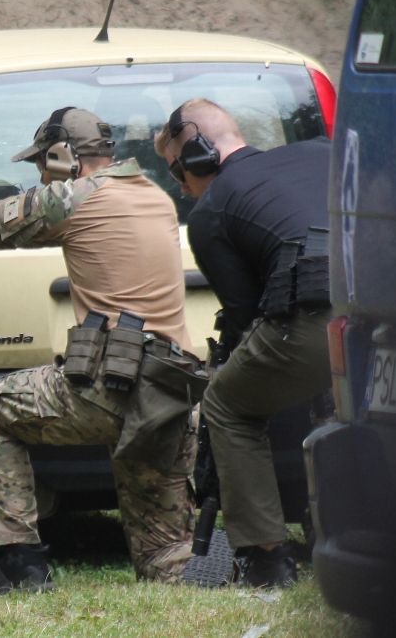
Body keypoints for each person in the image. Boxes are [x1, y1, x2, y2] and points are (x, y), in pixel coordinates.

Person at [0, 107, 202, 592]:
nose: (40, 177)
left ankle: (19, 564)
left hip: (110, 390)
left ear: (63, 156)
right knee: (165, 561)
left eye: (41, 164)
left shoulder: (76, 197)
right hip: (171, 395)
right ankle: (212, 574)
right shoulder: (155, 196)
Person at [155, 98, 332, 589]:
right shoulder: (322, 151)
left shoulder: (211, 211)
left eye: (176, 170)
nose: (181, 186)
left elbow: (248, 317)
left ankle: (267, 560)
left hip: (316, 314)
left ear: (198, 156)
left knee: (228, 404)